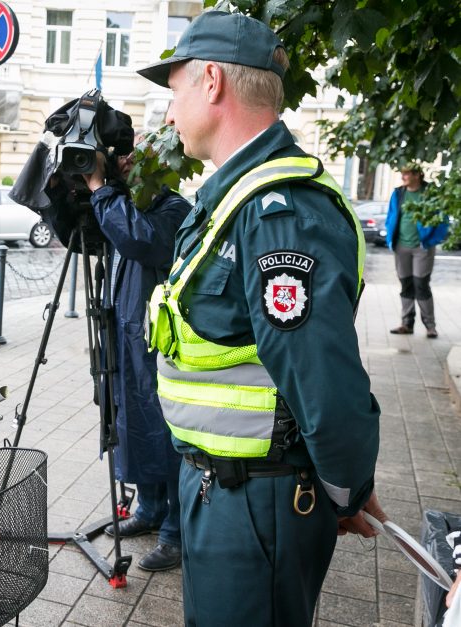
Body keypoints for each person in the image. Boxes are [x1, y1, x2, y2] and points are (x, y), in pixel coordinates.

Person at [138, 11, 385, 626]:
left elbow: (324, 379)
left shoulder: (280, 211)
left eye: (175, 91)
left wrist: (347, 490)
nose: (170, 113)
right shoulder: (235, 197)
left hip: (260, 503)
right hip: (220, 489)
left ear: (213, 81)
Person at [76, 150, 190, 571]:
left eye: (133, 159)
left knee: (165, 430)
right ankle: (150, 509)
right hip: (125, 336)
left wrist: (102, 190)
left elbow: (141, 239)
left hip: (156, 340)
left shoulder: (173, 208)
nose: (123, 165)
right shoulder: (127, 206)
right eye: (121, 158)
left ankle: (177, 533)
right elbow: (84, 229)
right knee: (133, 424)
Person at [385, 163, 449, 339]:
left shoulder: (431, 193)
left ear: (417, 175)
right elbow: (391, 215)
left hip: (422, 247)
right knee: (406, 284)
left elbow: (443, 220)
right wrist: (391, 239)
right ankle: (407, 324)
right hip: (401, 246)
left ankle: (430, 326)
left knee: (421, 285)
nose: (403, 177)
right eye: (403, 174)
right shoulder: (399, 193)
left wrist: (431, 241)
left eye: (406, 174)